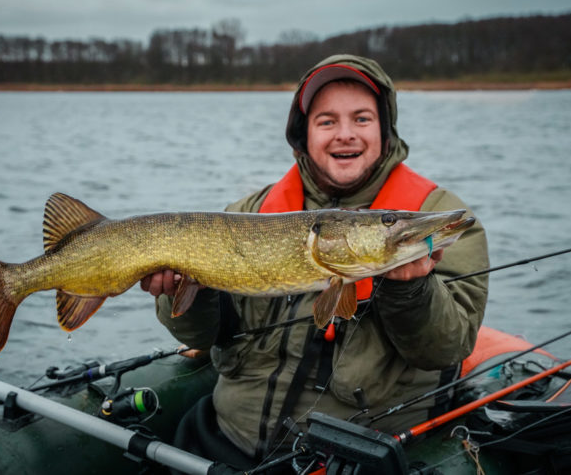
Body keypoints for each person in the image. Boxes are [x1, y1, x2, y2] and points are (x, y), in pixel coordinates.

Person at [141, 54, 489, 470]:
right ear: (304, 133)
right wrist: (182, 294)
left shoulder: (438, 213)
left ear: (385, 129)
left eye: (362, 119)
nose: (345, 134)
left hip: (353, 459)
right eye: (327, 121)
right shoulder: (251, 211)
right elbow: (204, 334)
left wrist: (411, 289)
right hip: (228, 443)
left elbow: (447, 347)